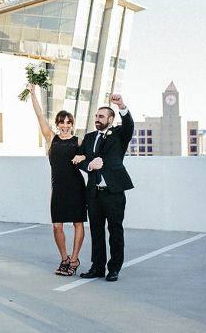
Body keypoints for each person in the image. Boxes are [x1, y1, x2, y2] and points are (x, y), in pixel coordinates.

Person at [28, 84, 86, 276]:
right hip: (58, 188)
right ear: (57, 124)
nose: (65, 125)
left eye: (68, 122)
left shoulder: (78, 141)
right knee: (57, 226)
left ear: (72, 124)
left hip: (76, 187)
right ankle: (64, 258)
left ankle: (75, 259)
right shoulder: (51, 139)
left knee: (78, 223)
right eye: (62, 122)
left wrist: (84, 157)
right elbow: (39, 116)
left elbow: (90, 154)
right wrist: (33, 93)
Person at [75, 94, 134, 282]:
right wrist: (90, 166)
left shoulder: (119, 134)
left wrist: (121, 106)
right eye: (96, 116)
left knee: (115, 231)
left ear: (110, 119)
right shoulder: (89, 137)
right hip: (93, 193)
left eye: (101, 116)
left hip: (114, 192)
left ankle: (114, 268)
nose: (97, 119)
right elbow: (79, 159)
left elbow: (129, 126)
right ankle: (97, 267)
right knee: (96, 231)